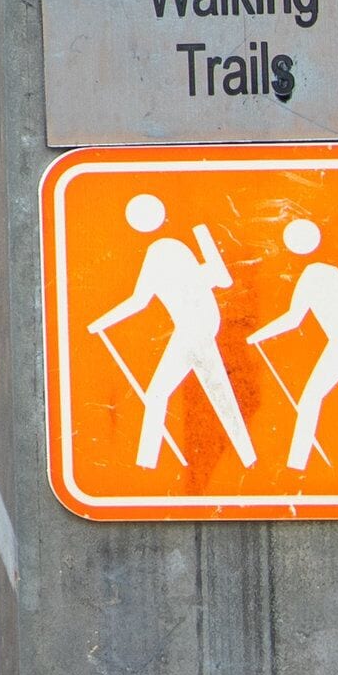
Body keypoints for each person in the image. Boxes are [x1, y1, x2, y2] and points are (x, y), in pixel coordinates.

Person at [86, 193, 256, 469]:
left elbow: (140, 301)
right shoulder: (178, 250)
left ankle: (146, 465)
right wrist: (102, 322)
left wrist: (101, 323)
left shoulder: (160, 252)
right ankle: (248, 459)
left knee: (164, 394)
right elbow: (219, 280)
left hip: (192, 329)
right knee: (217, 394)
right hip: (203, 326)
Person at [248, 216, 338, 472]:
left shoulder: (313, 274)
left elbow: (294, 319)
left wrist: (257, 335)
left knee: (310, 399)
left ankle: (296, 466)